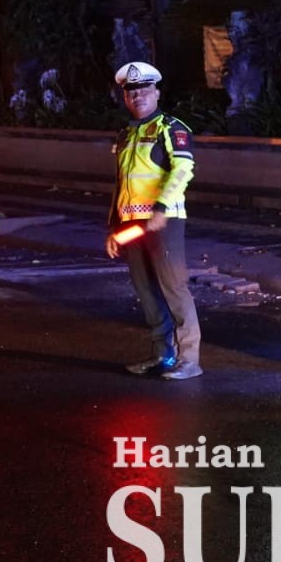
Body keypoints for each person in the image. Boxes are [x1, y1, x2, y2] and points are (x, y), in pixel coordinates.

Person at [107, 61, 203, 380]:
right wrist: (114, 228)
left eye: (144, 90)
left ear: (157, 92)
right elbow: (121, 183)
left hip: (165, 221)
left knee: (173, 288)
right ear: (125, 97)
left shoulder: (170, 128)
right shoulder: (126, 135)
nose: (138, 96)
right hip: (132, 225)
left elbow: (183, 169)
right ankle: (162, 354)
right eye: (131, 92)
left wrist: (160, 208)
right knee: (147, 292)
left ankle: (189, 359)